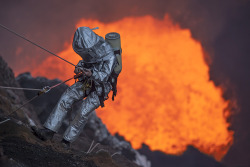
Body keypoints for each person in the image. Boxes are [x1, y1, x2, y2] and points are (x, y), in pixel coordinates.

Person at [33, 26, 116, 147]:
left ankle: (66, 142)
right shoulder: (89, 50)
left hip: (100, 89)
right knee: (67, 97)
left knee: (82, 112)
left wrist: (92, 73)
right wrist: (79, 68)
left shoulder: (110, 55)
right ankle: (48, 131)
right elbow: (85, 61)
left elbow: (104, 76)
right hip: (87, 81)